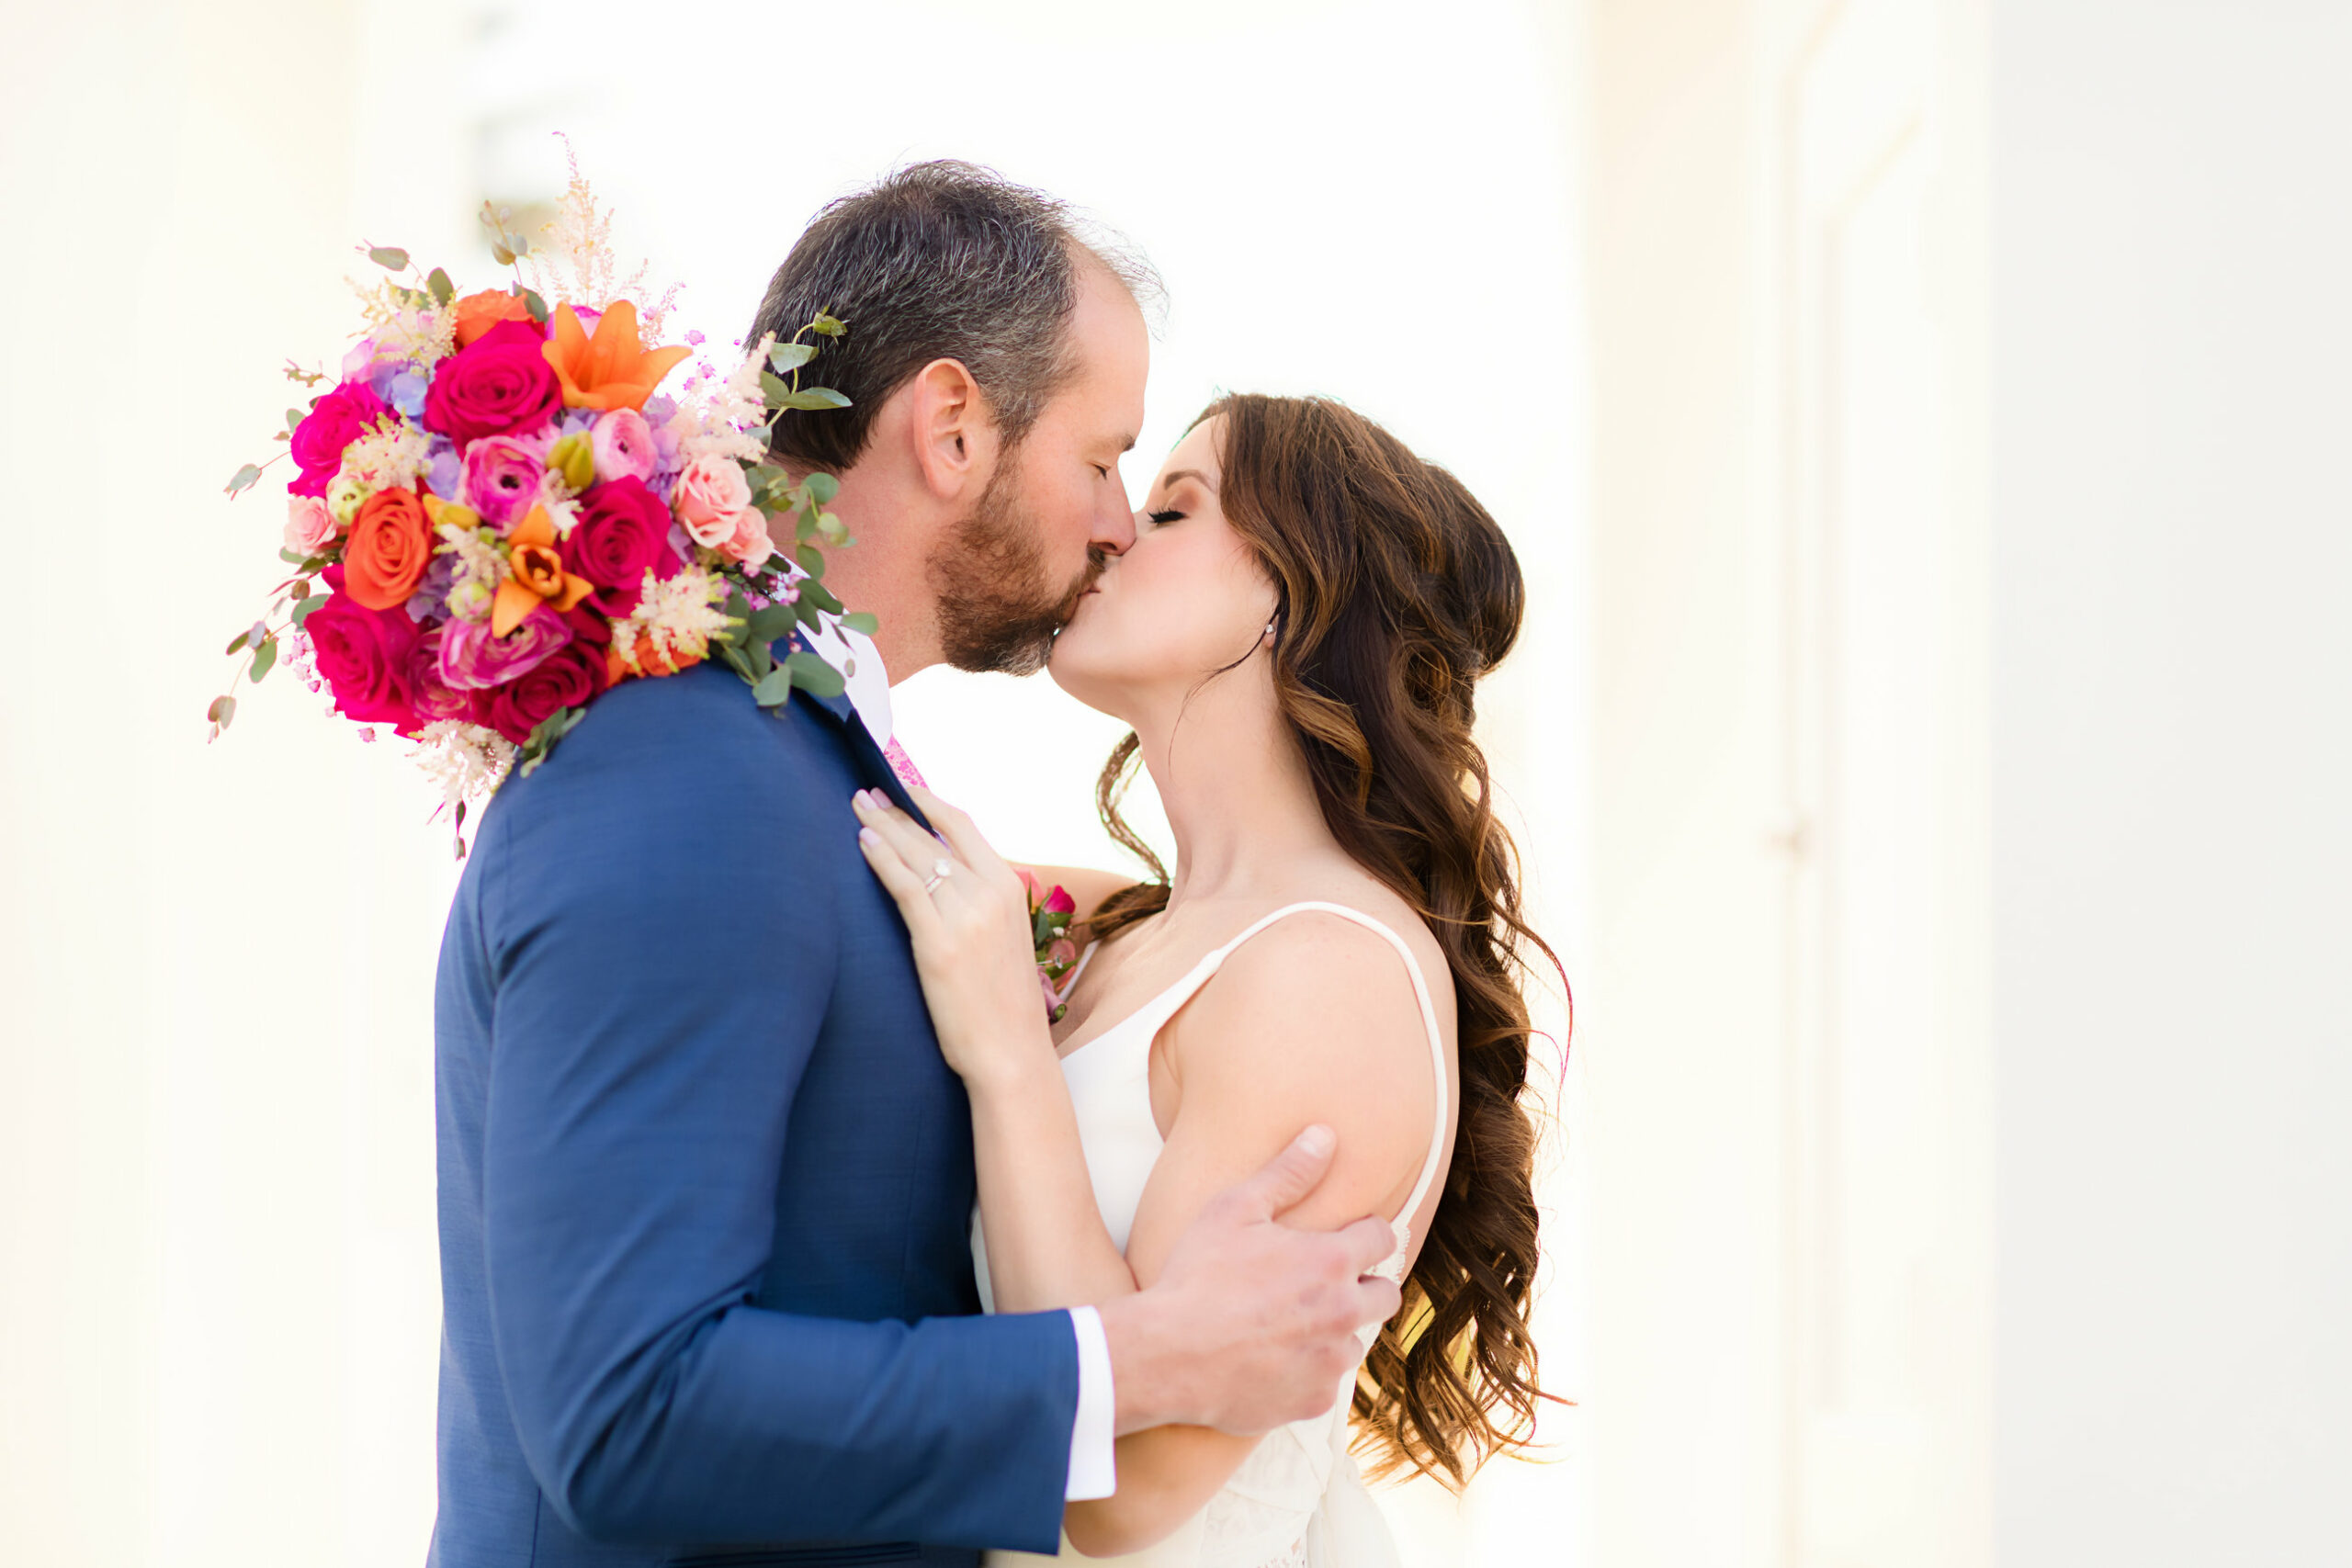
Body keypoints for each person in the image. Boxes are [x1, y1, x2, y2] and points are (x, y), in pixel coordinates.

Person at [430, 165, 1406, 1568]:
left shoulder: (794, 763)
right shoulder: (683, 760)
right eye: (1101, 458)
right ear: (952, 428)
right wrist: (1147, 1356)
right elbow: (626, 1413)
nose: (1118, 521)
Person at [854, 393, 1555, 1566]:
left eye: (1175, 508)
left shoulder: (1329, 977)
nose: (1114, 528)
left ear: (1296, 594)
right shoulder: (1119, 934)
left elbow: (1122, 1491)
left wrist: (1010, 1060)